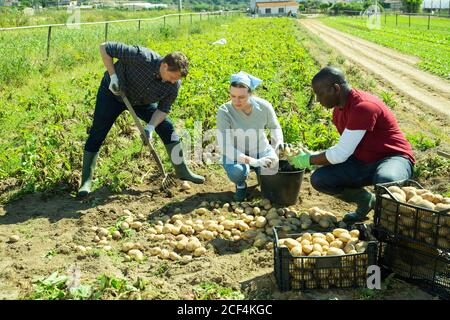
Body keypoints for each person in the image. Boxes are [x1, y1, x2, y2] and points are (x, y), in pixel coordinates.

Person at [77, 41, 205, 197]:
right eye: (172, 77)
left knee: (166, 127)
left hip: (140, 102)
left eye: (176, 79)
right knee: (98, 132)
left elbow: (163, 109)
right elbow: (104, 48)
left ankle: (182, 171)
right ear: (164, 66)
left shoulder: (173, 85)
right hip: (113, 92)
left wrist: (150, 127)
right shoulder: (141, 57)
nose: (173, 81)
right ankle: (86, 182)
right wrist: (113, 76)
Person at [289, 67, 415, 222]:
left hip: (393, 158)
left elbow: (340, 153)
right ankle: (366, 201)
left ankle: (388, 223)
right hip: (363, 161)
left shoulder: (363, 107)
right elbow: (345, 148)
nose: (317, 99)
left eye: (320, 94)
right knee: (320, 179)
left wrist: (308, 160)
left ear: (335, 89)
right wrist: (315, 157)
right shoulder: (338, 111)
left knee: (386, 181)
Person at [216, 71, 289, 201]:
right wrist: (254, 161)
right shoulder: (224, 111)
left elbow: (274, 127)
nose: (236, 101)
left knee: (272, 166)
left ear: (250, 93)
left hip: (261, 149)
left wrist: (278, 145)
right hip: (235, 152)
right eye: (233, 96)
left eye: (241, 97)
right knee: (237, 171)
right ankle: (240, 185)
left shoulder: (264, 106)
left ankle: (263, 178)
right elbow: (225, 146)